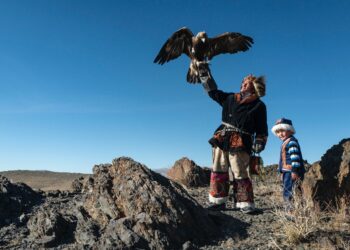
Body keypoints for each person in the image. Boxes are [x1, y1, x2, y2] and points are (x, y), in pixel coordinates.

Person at [199, 64, 268, 214]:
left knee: (239, 171)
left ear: (254, 87)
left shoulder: (259, 105)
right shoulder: (230, 98)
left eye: (247, 83)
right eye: (242, 82)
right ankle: (219, 201)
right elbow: (212, 92)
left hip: (242, 140)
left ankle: (245, 203)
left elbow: (262, 128)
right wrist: (204, 73)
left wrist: (260, 142)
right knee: (219, 168)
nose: (243, 85)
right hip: (222, 137)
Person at [271, 118, 305, 212]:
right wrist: (281, 172)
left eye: (282, 131)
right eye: (277, 132)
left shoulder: (291, 142)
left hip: (291, 172)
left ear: (289, 130)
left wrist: (294, 171)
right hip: (287, 172)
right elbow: (282, 160)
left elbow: (295, 157)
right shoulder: (285, 142)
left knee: (289, 191)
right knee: (293, 190)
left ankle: (290, 211)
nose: (280, 134)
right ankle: (298, 210)